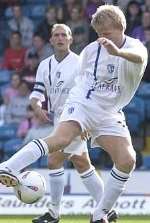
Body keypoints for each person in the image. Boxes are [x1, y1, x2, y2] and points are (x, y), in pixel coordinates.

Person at [0, 5, 147, 223]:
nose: (102, 39)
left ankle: (100, 213)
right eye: (98, 35)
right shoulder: (90, 51)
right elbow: (81, 83)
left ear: (121, 27)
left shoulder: (136, 47)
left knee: (127, 160)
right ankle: (8, 167)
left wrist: (118, 53)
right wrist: (79, 119)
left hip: (110, 112)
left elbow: (138, 58)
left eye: (106, 34)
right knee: (60, 143)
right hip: (82, 104)